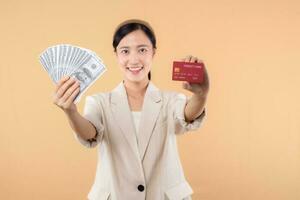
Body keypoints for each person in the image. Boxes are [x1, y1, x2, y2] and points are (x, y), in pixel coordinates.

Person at [52, 19, 210, 200]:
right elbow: (90, 133)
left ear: (153, 53)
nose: (134, 60)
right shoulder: (99, 102)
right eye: (125, 51)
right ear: (116, 55)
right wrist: (70, 111)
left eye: (142, 50)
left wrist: (201, 95)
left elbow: (187, 115)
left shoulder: (171, 100)